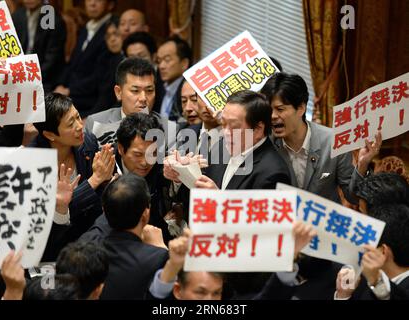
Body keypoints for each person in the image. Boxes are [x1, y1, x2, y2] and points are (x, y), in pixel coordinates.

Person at [164, 90, 291, 298]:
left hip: (241, 282)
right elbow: (198, 194)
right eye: (224, 124)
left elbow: (262, 239)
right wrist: (181, 175)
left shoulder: (273, 172)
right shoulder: (222, 147)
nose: (226, 133)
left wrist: (221, 202)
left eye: (235, 126)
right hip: (207, 264)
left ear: (258, 128)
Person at [261, 72, 380, 205]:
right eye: (268, 109)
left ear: (301, 108)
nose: (272, 116)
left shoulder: (333, 141)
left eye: (280, 109)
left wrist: (362, 165)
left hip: (322, 221)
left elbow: (353, 197)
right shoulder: (264, 142)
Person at [30, 92, 115, 261]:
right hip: (52, 250)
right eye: (71, 124)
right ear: (50, 135)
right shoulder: (32, 163)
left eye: (78, 117)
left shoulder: (88, 142)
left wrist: (107, 181)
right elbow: (47, 222)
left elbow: (97, 200)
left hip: (91, 239)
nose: (79, 126)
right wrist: (95, 180)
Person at [80, 113, 172, 244]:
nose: (145, 162)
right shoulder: (102, 166)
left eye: (152, 154)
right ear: (122, 149)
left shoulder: (163, 164)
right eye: (138, 154)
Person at [99, 173, 189, 299]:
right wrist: (162, 249)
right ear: (146, 213)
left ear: (104, 210)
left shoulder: (88, 250)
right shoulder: (158, 258)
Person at [84, 57, 177, 150]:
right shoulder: (96, 123)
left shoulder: (170, 129)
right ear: (118, 92)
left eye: (149, 90)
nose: (143, 98)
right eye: (135, 91)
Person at [55, 0, 116, 117]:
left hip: (89, 99)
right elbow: (71, 63)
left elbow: (100, 75)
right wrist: (61, 84)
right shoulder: (87, 27)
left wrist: (69, 90)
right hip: (71, 92)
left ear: (110, 4)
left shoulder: (112, 31)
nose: (92, 3)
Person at [335, 204, 409, 300]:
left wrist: (376, 282)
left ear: (383, 251)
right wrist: (343, 295)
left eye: (368, 243)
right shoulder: (368, 284)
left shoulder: (377, 284)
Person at [12, 0, 66, 92]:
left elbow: (52, 56)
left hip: (44, 77)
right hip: (19, 73)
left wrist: (33, 76)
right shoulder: (17, 15)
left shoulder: (50, 16)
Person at [156, 35, 192, 122]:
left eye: (167, 60)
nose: (161, 66)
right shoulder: (158, 85)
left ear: (184, 63)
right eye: (159, 61)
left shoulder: (190, 91)